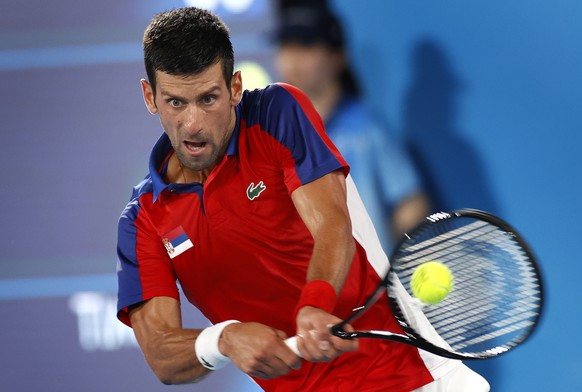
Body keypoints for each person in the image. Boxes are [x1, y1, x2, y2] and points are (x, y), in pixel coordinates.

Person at [116, 7, 489, 392]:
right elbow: (162, 354)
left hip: (413, 378)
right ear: (150, 96)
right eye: (176, 102)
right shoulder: (142, 219)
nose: (192, 123)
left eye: (208, 99)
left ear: (236, 88)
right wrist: (223, 339)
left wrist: (315, 301)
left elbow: (331, 221)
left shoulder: (277, 113)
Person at [274, 5, 431, 252]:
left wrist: (376, 254)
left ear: (338, 58)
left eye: (306, 46)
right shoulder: (274, 136)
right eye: (286, 45)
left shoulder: (367, 127)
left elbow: (411, 206)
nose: (292, 58)